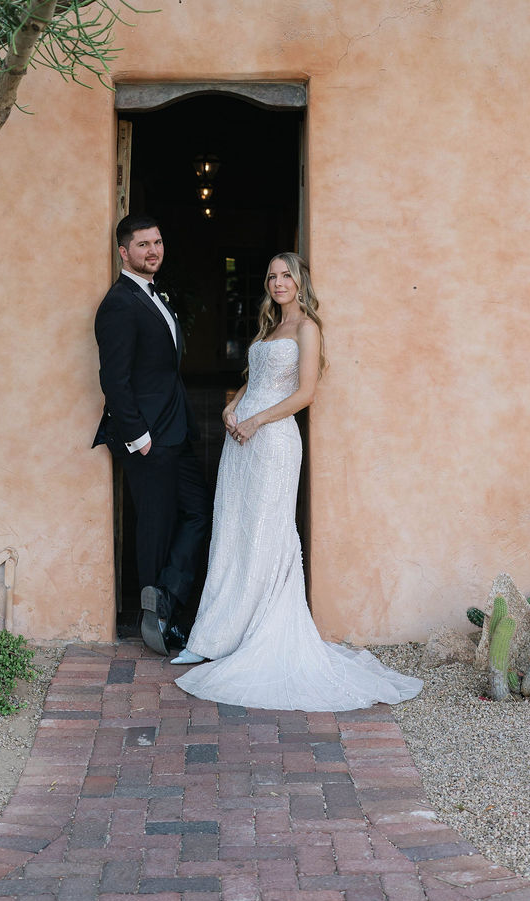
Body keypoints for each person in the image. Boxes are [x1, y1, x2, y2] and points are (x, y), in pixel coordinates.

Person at [172, 252, 422, 711]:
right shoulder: (269, 327)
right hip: (241, 440)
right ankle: (211, 636)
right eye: (271, 275)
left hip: (273, 444)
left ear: (301, 281)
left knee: (265, 534)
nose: (277, 281)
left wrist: (257, 421)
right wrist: (233, 405)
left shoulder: (308, 328)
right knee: (232, 532)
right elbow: (259, 377)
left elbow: (304, 393)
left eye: (286, 274)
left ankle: (249, 634)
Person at [93, 214, 210, 656]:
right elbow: (114, 378)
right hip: (148, 438)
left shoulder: (154, 294)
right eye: (142, 245)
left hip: (174, 431)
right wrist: (139, 437)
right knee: (156, 525)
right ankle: (157, 622)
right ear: (124, 252)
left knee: (198, 510)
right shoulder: (120, 303)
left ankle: (164, 594)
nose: (152, 251)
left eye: (157, 242)